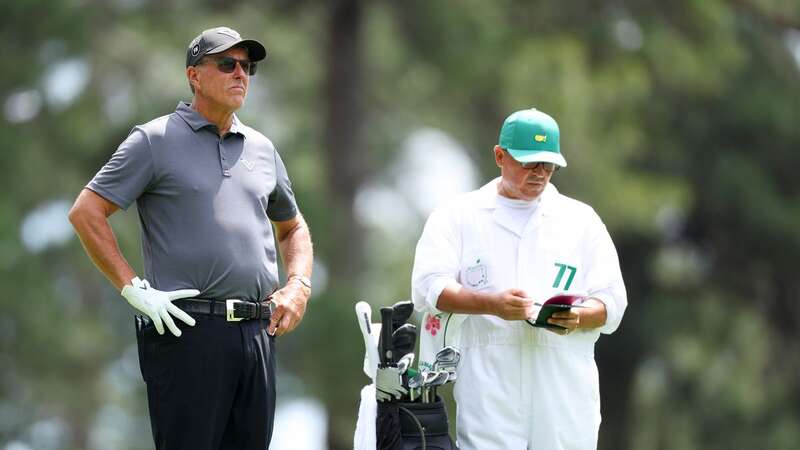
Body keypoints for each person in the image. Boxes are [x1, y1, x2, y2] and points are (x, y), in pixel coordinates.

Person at [68, 26, 313, 450]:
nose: (241, 74)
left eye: (247, 66)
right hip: (187, 331)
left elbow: (293, 228)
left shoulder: (261, 148)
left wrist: (299, 285)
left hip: (258, 333)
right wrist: (132, 289)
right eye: (227, 64)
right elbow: (86, 212)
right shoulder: (154, 139)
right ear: (194, 75)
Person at [411, 108, 627, 450]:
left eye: (549, 165)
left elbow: (612, 302)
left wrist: (577, 318)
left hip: (563, 384)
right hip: (490, 381)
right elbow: (429, 287)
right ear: (500, 155)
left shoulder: (580, 220)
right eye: (530, 163)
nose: (540, 174)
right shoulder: (458, 216)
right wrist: (492, 305)